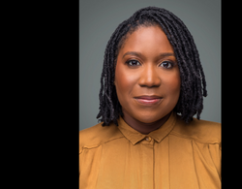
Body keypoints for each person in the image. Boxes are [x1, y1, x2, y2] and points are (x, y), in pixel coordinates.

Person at [79, 6, 221, 189]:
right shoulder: (82, 152)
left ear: (185, 75)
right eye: (133, 62)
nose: (149, 80)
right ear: (112, 73)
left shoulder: (217, 147)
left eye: (166, 64)